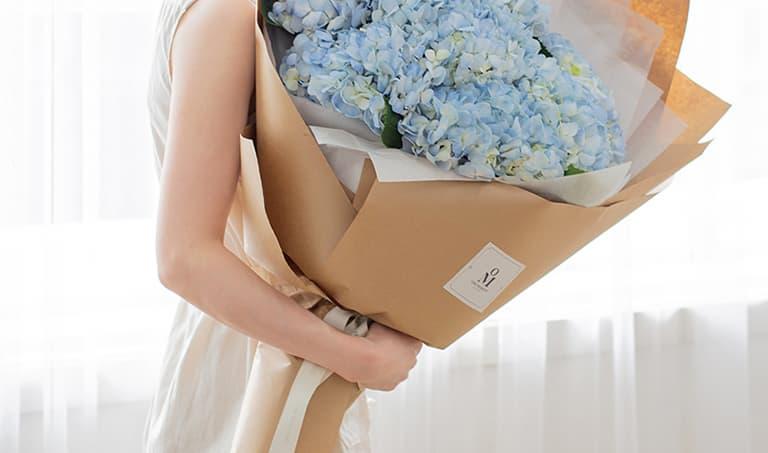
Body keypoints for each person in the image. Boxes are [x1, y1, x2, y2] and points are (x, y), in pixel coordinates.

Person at [144, 0, 422, 450]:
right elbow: (185, 257)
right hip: (255, 358)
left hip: (295, 342)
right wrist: (358, 357)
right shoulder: (225, 13)